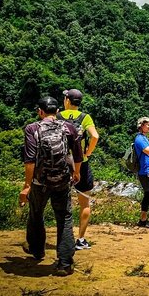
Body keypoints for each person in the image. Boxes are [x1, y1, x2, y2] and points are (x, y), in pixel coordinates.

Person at [19, 96, 82, 276]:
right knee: (64, 218)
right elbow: (77, 154)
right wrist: (76, 173)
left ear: (40, 111)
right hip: (62, 181)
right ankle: (64, 263)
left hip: (40, 182)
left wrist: (27, 185)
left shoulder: (32, 129)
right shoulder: (68, 127)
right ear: (57, 112)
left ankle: (37, 251)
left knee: (36, 213)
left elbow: (30, 160)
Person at [58, 88, 100, 250]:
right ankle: (80, 239)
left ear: (67, 101)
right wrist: (87, 153)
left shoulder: (58, 116)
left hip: (61, 163)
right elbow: (95, 136)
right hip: (80, 163)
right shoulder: (85, 117)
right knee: (85, 203)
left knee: (60, 202)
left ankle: (63, 237)